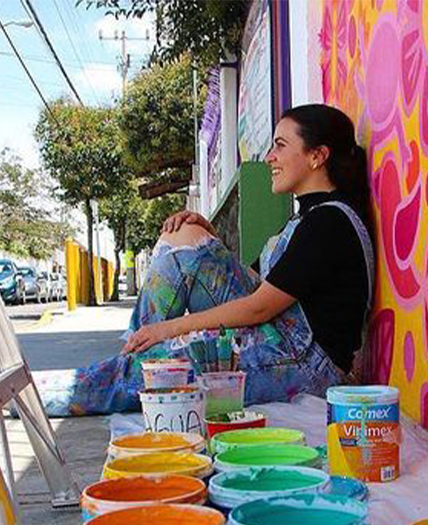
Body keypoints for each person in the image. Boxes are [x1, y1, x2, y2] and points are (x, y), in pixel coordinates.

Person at [35, 104, 375, 416]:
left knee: (160, 373)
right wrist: (206, 239)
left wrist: (167, 328)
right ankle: (137, 355)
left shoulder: (328, 222)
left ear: (317, 156)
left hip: (304, 367)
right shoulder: (311, 218)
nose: (269, 157)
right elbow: (256, 285)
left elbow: (258, 307)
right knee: (184, 236)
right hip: (281, 343)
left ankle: (42, 395)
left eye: (280, 146)